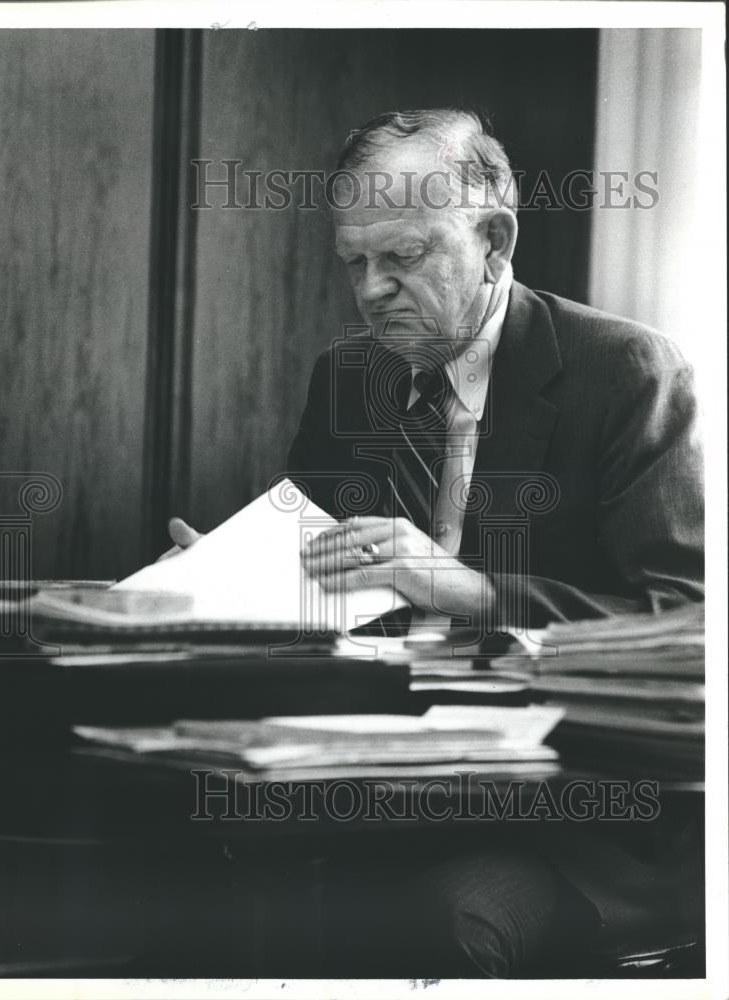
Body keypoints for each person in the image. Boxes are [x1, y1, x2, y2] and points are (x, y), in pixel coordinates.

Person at [161, 109, 704, 976]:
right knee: (162, 853)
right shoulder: (350, 377)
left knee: (439, 920)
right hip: (381, 782)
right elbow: (329, 586)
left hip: (577, 814)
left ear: (493, 240)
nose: (372, 289)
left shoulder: (628, 372)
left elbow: (685, 627)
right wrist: (220, 586)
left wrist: (472, 592)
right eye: (355, 262)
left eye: (402, 258)